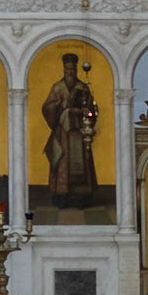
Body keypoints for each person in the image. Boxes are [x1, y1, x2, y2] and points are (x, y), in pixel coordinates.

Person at [42, 53, 99, 207]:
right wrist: (60, 107)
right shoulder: (57, 87)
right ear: (63, 69)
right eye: (67, 69)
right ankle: (61, 196)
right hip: (63, 132)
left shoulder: (83, 87)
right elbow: (47, 107)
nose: (70, 72)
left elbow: (92, 110)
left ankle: (82, 197)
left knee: (82, 162)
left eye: (72, 69)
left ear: (76, 69)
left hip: (79, 131)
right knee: (62, 161)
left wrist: (85, 112)